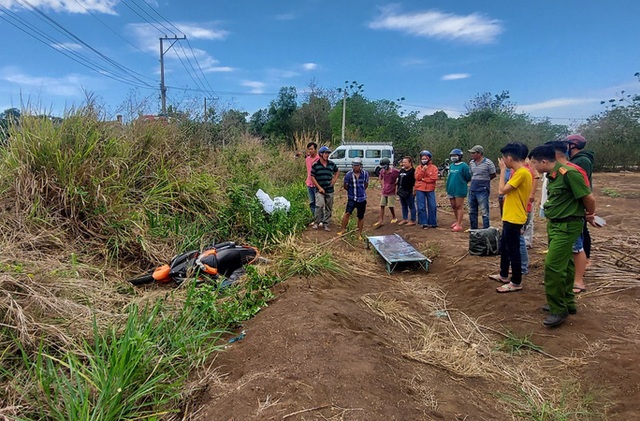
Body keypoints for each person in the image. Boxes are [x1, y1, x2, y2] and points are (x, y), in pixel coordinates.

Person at [529, 144, 597, 327]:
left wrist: (589, 215)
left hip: (568, 225)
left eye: (534, 163)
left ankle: (558, 309)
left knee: (552, 266)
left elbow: (588, 198)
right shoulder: (552, 176)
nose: (533, 166)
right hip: (556, 224)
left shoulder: (569, 173)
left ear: (544, 161)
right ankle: (568, 302)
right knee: (565, 265)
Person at [489, 143, 532, 293]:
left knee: (513, 250)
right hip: (509, 215)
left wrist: (502, 171)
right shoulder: (519, 172)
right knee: (505, 247)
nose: (503, 162)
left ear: (509, 158)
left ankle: (516, 281)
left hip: (515, 217)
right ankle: (503, 274)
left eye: (503, 159)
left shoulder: (522, 173)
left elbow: (502, 190)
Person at [563, 134, 595, 295]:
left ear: (573, 145)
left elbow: (583, 188)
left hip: (576, 207)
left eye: (566, 145)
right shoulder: (576, 161)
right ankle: (572, 276)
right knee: (577, 241)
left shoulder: (582, 161)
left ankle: (578, 280)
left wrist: (589, 211)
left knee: (578, 244)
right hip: (573, 206)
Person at [337, 158, 369, 239]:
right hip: (352, 198)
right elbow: (345, 186)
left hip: (362, 198)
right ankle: (343, 229)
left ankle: (359, 233)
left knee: (361, 216)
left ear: (360, 166)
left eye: (357, 165)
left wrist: (361, 192)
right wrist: (351, 192)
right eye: (354, 165)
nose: (355, 167)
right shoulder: (348, 174)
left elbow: (365, 185)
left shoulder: (365, 174)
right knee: (347, 213)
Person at [310, 146, 339, 231]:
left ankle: (326, 224)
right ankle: (316, 222)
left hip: (329, 189)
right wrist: (319, 187)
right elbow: (312, 177)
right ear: (321, 154)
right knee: (319, 205)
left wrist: (334, 180)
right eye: (325, 153)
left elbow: (337, 171)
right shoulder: (315, 165)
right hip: (319, 189)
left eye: (328, 153)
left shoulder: (331, 164)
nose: (327, 155)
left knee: (329, 207)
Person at [468, 145, 497, 229]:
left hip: (482, 189)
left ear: (479, 153)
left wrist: (484, 180)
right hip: (472, 189)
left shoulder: (488, 163)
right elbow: (471, 173)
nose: (471, 155)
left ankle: (486, 229)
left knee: (484, 211)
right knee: (472, 211)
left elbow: (493, 174)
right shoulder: (471, 163)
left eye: (473, 153)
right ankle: (473, 229)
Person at [446, 148, 471, 232]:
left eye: (455, 156)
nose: (453, 157)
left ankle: (459, 224)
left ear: (460, 156)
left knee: (459, 206)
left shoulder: (464, 166)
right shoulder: (451, 166)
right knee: (453, 206)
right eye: (452, 156)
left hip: (460, 189)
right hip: (451, 188)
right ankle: (457, 221)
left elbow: (468, 177)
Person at [415, 150, 438, 228]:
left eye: (425, 158)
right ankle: (423, 222)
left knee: (432, 205)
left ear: (429, 159)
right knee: (421, 206)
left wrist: (423, 179)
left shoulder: (434, 168)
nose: (424, 160)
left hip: (430, 189)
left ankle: (432, 222)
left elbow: (433, 178)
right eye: (422, 158)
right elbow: (417, 177)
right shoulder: (418, 168)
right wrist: (423, 170)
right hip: (420, 189)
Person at [374, 157, 400, 227]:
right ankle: (380, 220)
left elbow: (400, 176)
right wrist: (382, 184)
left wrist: (397, 183)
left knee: (390, 206)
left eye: (384, 166)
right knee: (382, 205)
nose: (383, 168)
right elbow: (380, 177)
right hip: (384, 190)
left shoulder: (394, 171)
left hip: (391, 190)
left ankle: (394, 217)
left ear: (388, 165)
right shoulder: (382, 171)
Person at [397, 156, 416, 226]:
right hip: (401, 191)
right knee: (403, 206)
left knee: (411, 206)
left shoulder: (413, 171)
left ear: (410, 163)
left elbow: (415, 182)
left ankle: (413, 220)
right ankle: (405, 219)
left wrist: (414, 191)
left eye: (405, 162)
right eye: (403, 162)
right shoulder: (401, 171)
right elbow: (398, 180)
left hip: (409, 191)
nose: (403, 164)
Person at [305, 142, 319, 219]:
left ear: (315, 150)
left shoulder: (319, 160)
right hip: (309, 184)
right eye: (309, 149)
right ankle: (315, 219)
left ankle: (320, 219)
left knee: (319, 203)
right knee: (312, 202)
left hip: (317, 184)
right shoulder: (307, 159)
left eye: (311, 149)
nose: (310, 151)